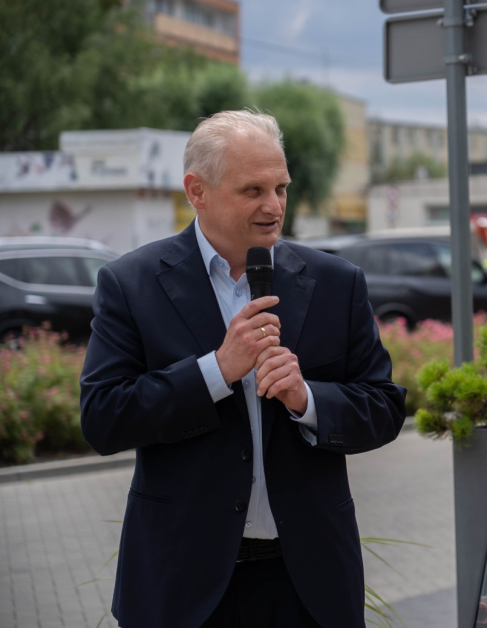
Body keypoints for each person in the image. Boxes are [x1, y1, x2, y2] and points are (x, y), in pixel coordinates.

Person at [80, 109, 407, 628]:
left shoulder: (336, 282)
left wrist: (307, 400)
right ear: (197, 190)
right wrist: (215, 371)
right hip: (182, 585)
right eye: (253, 190)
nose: (273, 206)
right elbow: (103, 417)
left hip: (307, 584)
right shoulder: (131, 283)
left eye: (281, 187)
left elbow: (385, 406)